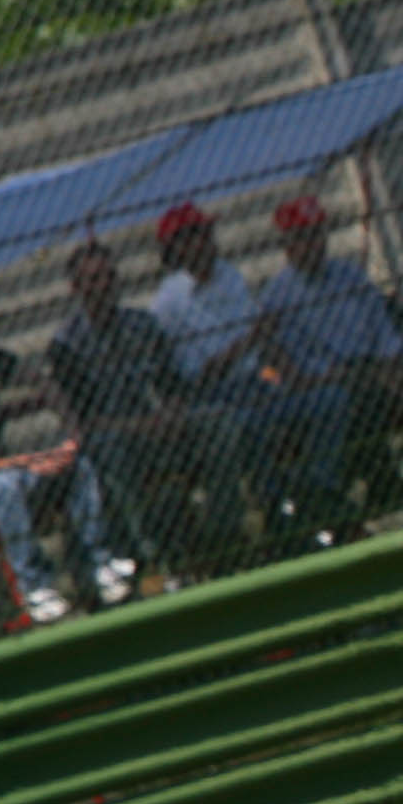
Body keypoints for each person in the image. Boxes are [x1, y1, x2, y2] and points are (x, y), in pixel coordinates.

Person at [150, 199, 347, 560]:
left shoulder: (229, 274)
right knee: (249, 423)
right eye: (192, 236)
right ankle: (275, 508)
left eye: (205, 232)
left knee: (327, 399)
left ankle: (322, 491)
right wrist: (247, 343)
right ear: (174, 247)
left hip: (256, 380)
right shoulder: (168, 302)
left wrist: (290, 372)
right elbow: (196, 375)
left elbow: (262, 338)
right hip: (212, 396)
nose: (204, 241)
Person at [0, 301, 129, 619]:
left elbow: (42, 382)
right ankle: (35, 587)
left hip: (3, 472)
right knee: (8, 485)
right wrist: (29, 461)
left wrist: (71, 438)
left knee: (74, 466)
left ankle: (100, 563)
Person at [46, 239, 201, 579]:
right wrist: (145, 426)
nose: (103, 286)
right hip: (107, 435)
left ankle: (223, 532)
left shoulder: (141, 325)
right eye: (92, 279)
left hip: (151, 424)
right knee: (113, 454)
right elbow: (85, 419)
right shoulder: (66, 344)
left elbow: (170, 382)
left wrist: (173, 412)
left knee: (216, 426)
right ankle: (150, 554)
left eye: (108, 276)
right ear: (76, 287)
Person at [257, 192, 403, 525]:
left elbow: (382, 327)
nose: (313, 245)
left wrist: (391, 360)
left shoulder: (349, 275)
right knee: (360, 395)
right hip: (330, 377)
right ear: (288, 244)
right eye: (303, 237)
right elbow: (290, 363)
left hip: (373, 364)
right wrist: (334, 374)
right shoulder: (277, 297)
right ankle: (379, 480)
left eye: (317, 234)